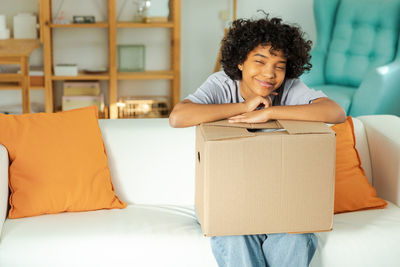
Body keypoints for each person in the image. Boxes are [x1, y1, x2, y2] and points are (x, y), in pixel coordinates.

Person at [169, 15, 346, 267]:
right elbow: (178, 117)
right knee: (234, 236)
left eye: (280, 66)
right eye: (260, 61)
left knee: (294, 237)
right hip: (227, 195)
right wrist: (243, 106)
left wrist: (269, 112)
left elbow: (335, 112)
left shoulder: (291, 88)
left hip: (281, 195)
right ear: (240, 61)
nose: (269, 73)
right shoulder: (221, 84)